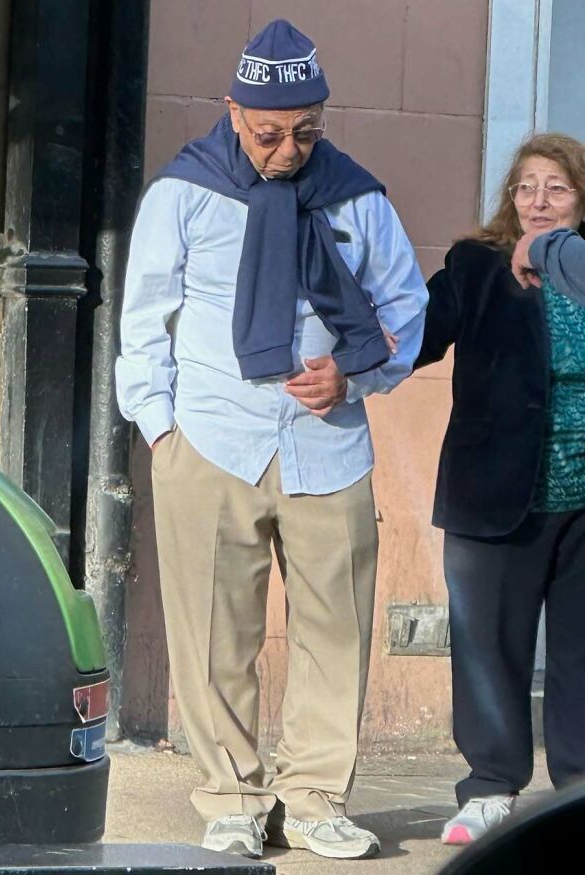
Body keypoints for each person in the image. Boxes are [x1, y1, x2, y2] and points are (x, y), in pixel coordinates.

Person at [116, 19, 427, 860]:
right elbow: (143, 319)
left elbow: (405, 311)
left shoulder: (357, 197)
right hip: (211, 440)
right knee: (217, 631)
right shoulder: (185, 192)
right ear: (233, 110)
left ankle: (317, 795)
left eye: (306, 130)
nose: (287, 148)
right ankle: (232, 795)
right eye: (269, 132)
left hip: (327, 444)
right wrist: (162, 431)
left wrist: (353, 380)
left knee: (335, 627)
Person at [416, 132, 585, 845]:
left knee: (583, 652)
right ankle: (489, 787)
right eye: (526, 186)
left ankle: (578, 789)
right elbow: (415, 334)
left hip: (581, 498)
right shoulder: (475, 264)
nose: (538, 201)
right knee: (489, 645)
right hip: (495, 490)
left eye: (557, 187)